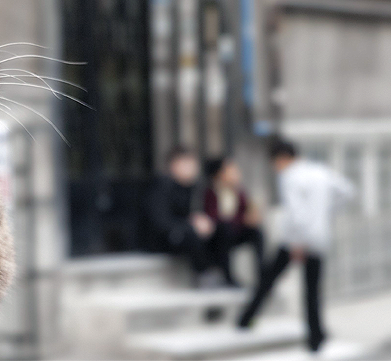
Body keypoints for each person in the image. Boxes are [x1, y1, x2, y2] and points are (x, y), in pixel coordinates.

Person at [238, 140, 354, 352]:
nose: (275, 167)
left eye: (275, 162)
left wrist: (298, 242)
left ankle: (246, 319)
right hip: (319, 237)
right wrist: (325, 213)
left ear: (282, 158)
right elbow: (347, 191)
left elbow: (295, 212)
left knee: (269, 277)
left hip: (295, 239)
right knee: (312, 290)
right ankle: (316, 337)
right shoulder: (319, 171)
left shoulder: (290, 176)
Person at [144, 147, 217, 280]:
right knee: (191, 233)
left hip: (187, 233)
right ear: (174, 165)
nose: (192, 168)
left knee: (222, 230)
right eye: (186, 164)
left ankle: (223, 274)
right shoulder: (162, 187)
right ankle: (204, 274)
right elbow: (161, 222)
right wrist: (191, 225)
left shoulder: (197, 187)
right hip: (165, 238)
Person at [204, 158, 264, 287]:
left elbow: (245, 210)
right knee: (224, 228)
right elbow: (214, 217)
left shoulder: (238, 191)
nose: (235, 173)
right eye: (230, 170)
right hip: (217, 237)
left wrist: (251, 217)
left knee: (256, 231)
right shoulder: (210, 191)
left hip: (234, 232)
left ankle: (262, 275)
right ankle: (227, 277)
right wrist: (241, 219)